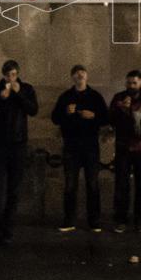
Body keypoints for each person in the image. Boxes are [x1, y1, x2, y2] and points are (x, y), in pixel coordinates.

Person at [0, 59, 38, 245]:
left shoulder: (26, 89)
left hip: (18, 145)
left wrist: (19, 94)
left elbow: (33, 109)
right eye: (8, 75)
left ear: (18, 73)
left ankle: (7, 229)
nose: (11, 78)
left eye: (14, 74)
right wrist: (1, 98)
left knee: (14, 190)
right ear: (3, 75)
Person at [51, 65, 109, 232]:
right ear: (72, 77)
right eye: (76, 73)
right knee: (70, 185)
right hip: (71, 147)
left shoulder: (95, 97)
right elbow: (55, 118)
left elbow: (105, 118)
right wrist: (66, 113)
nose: (79, 75)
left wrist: (94, 116)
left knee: (92, 184)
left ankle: (94, 221)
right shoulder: (65, 97)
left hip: (90, 147)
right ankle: (69, 220)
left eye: (82, 73)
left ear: (87, 77)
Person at [110, 69, 141, 233]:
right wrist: (121, 111)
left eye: (134, 83)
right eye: (128, 83)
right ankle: (121, 219)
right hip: (123, 147)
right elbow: (111, 120)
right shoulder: (118, 98)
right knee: (121, 185)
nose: (131, 86)